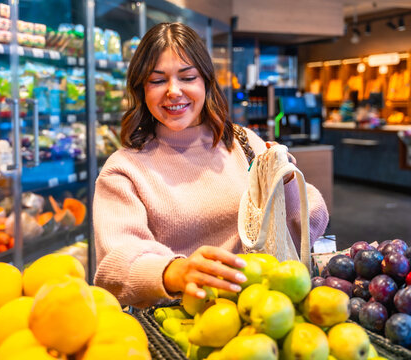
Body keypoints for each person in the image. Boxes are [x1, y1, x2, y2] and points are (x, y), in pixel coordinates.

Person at [93, 22, 329, 308]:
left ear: (205, 81)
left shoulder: (244, 143)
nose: (173, 91)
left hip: (263, 312)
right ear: (141, 89)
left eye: (187, 77)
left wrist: (285, 181)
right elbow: (116, 263)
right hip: (178, 325)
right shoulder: (124, 169)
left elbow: (307, 227)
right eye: (157, 81)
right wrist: (174, 272)